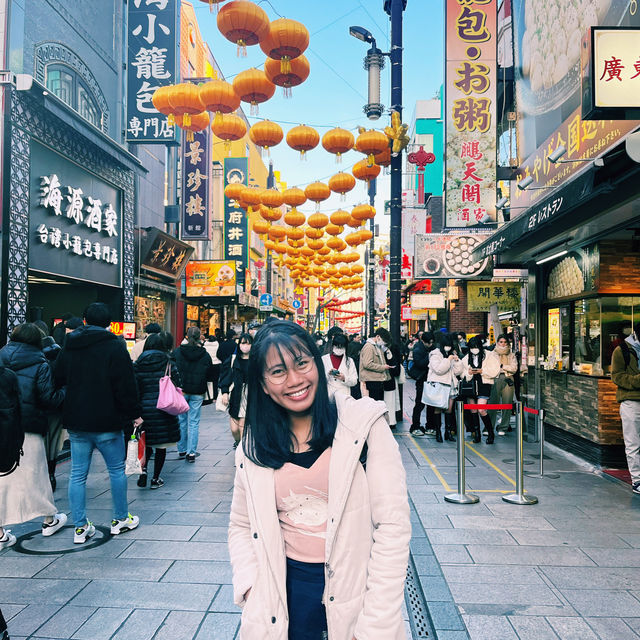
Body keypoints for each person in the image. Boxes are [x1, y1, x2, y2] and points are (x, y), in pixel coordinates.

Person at [228, 319, 410, 639]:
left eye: (302, 363)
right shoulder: (253, 446)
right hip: (283, 593)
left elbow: (393, 527)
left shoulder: (364, 426)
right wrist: (251, 585)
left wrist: (376, 622)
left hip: (356, 591)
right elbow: (241, 524)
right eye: (278, 371)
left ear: (317, 362)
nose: (296, 380)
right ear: (263, 383)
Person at [55, 302, 141, 543]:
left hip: (77, 420)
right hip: (107, 419)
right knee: (116, 470)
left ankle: (80, 527)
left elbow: (57, 377)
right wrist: (134, 413)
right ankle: (121, 519)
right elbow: (126, 385)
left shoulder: (69, 345)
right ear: (109, 323)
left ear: (84, 320)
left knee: (77, 474)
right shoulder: (115, 346)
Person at [0, 323, 67, 545]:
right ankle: (49, 518)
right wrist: (66, 391)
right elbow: (49, 399)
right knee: (35, 475)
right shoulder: (40, 362)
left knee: (2, 478)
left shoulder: (0, 355)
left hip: (2, 424)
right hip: (28, 426)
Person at [133, 332, 181, 489]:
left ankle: (143, 471)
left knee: (145, 443)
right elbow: (178, 383)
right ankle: (156, 478)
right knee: (161, 446)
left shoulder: (138, 364)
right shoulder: (169, 363)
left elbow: (134, 388)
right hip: (164, 408)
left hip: (144, 409)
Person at [173, 326, 213, 462]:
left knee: (181, 420)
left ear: (186, 336)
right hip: (197, 391)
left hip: (181, 391)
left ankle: (182, 449)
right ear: (199, 337)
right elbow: (209, 372)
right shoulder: (204, 354)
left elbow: (172, 370)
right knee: (194, 422)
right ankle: (191, 452)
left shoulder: (178, 352)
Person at [611, 321, 640, 495]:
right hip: (631, 401)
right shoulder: (621, 350)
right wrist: (638, 380)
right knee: (633, 443)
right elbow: (617, 377)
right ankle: (637, 479)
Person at [461, 336, 500, 444]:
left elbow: (495, 370)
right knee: (473, 409)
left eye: (476, 347)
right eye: (472, 347)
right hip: (471, 385)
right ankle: (477, 434)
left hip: (484, 384)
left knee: (481, 409)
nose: (474, 349)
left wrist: (482, 371)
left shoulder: (489, 355)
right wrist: (468, 373)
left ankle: (490, 432)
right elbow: (461, 372)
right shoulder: (466, 358)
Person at [427, 333, 463, 443]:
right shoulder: (435, 355)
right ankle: (438, 432)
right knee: (438, 408)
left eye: (450, 345)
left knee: (449, 409)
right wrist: (448, 359)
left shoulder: (450, 354)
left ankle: (448, 432)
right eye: (446, 345)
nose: (448, 347)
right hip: (439, 385)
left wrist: (456, 361)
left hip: (450, 385)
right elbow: (439, 370)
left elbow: (458, 372)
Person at [219, 333, 253, 447]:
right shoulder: (233, 360)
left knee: (242, 427)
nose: (246, 346)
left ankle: (242, 451)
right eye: (243, 343)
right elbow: (225, 377)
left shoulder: (256, 361)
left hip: (249, 395)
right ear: (239, 345)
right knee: (234, 429)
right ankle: (238, 443)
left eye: (248, 343)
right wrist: (225, 392)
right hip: (235, 394)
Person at [409, 332, 435, 436]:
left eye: (432, 342)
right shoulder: (417, 350)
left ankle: (430, 426)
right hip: (421, 380)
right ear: (423, 341)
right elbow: (420, 364)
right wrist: (430, 356)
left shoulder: (433, 348)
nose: (431, 344)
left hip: (431, 380)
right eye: (429, 343)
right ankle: (415, 426)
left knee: (431, 404)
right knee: (419, 404)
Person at [493, 334, 518, 435]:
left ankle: (503, 427)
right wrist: (502, 367)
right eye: (501, 342)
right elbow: (492, 367)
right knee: (492, 403)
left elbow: (514, 368)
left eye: (505, 342)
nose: (503, 344)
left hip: (508, 378)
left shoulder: (511, 355)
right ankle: (488, 427)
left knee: (507, 404)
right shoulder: (492, 354)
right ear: (497, 343)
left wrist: (502, 366)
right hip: (495, 378)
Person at [359, 329, 393, 402]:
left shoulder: (377, 346)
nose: (383, 343)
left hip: (377, 380)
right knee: (374, 406)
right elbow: (367, 364)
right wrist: (383, 367)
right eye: (383, 341)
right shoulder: (369, 347)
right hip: (371, 381)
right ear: (378, 336)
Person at [321, 332, 358, 398]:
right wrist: (328, 374)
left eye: (341, 347)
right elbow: (320, 380)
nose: (339, 349)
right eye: (337, 346)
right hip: (329, 395)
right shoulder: (324, 359)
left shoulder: (349, 361)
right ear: (333, 346)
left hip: (344, 396)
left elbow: (354, 381)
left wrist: (344, 378)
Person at [203, 334, 222, 401]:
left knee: (207, 380)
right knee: (215, 381)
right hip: (216, 364)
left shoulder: (205, 346)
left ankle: (208, 396)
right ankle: (215, 397)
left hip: (208, 364)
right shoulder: (218, 345)